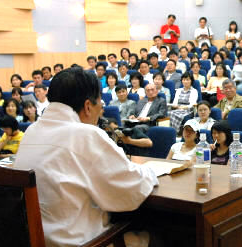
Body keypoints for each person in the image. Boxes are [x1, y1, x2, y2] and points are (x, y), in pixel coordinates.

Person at [13, 67, 158, 246]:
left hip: (36, 240)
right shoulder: (85, 134)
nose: (100, 113)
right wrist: (151, 171)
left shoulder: (31, 131)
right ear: (88, 106)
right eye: (100, 106)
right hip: (85, 242)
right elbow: (131, 189)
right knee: (159, 234)